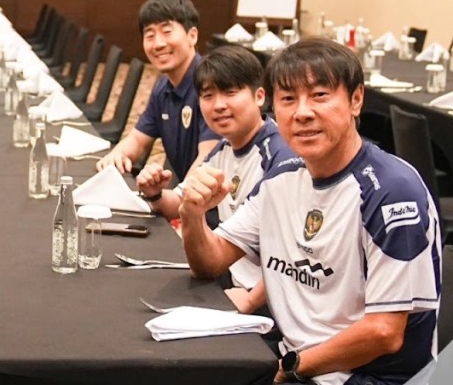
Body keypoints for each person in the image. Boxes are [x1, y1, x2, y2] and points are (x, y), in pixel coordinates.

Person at [179, 38, 441, 384]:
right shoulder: (283, 178)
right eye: (288, 99)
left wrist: (292, 366)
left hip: (365, 377)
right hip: (297, 360)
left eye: (319, 96)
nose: (302, 112)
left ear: (356, 100)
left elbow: (384, 333)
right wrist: (192, 214)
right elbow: (210, 263)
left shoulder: (391, 191)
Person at [136, 45, 297, 313]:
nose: (219, 105)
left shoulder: (280, 158)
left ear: (259, 96)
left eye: (230, 93)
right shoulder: (223, 148)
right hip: (227, 276)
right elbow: (180, 202)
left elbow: (295, 254)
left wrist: (253, 300)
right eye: (208, 96)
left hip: (267, 302)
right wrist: (154, 193)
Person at [96, 0, 220, 178]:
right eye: (150, 35)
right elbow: (138, 140)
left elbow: (208, 157)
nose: (158, 44)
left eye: (167, 32)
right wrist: (117, 155)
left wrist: (178, 199)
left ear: (192, 36)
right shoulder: (163, 88)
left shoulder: (211, 86)